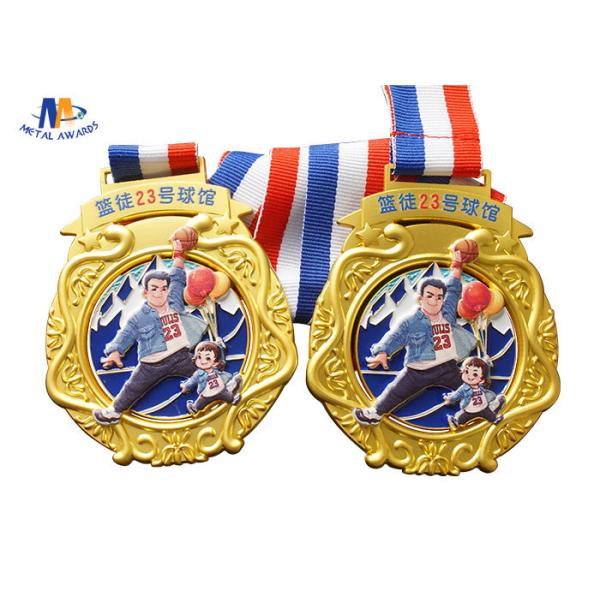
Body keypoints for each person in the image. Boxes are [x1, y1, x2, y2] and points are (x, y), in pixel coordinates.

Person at [353, 246, 477, 426]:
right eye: (430, 296)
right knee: (395, 391)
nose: (434, 301)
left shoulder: (447, 313)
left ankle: (489, 406)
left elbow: (453, 290)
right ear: (420, 299)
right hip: (418, 371)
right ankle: (375, 413)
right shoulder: (411, 321)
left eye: (439, 297)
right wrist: (383, 352)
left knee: (471, 387)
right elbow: (395, 336)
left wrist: (457, 266)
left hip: (447, 367)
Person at [93, 239, 208, 425]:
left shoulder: (173, 302)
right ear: (145, 292)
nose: (159, 293)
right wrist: (115, 352)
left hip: (181, 356)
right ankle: (114, 411)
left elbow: (177, 279)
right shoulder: (139, 317)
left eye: (163, 289)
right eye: (154, 289)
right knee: (133, 387)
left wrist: (179, 256)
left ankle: (225, 389)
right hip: (152, 364)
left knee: (206, 371)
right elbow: (126, 334)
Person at [182, 341, 243, 414]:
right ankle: (194, 408)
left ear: (216, 362)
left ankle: (232, 398)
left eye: (208, 358)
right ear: (195, 359)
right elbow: (192, 381)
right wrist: (186, 387)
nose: (203, 361)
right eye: (199, 357)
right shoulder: (199, 374)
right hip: (206, 394)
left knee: (227, 396)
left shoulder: (216, 370)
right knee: (201, 401)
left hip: (220, 390)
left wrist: (220, 346)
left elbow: (222, 361)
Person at [444, 356, 505, 427]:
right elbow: (457, 395)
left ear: (482, 380)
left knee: (489, 415)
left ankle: (495, 419)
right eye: (467, 372)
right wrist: (450, 399)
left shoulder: (480, 386)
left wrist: (487, 363)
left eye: (475, 374)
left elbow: (485, 375)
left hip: (483, 407)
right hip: (470, 410)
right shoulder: (464, 388)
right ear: (462, 372)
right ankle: (456, 422)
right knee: (462, 417)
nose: (470, 376)